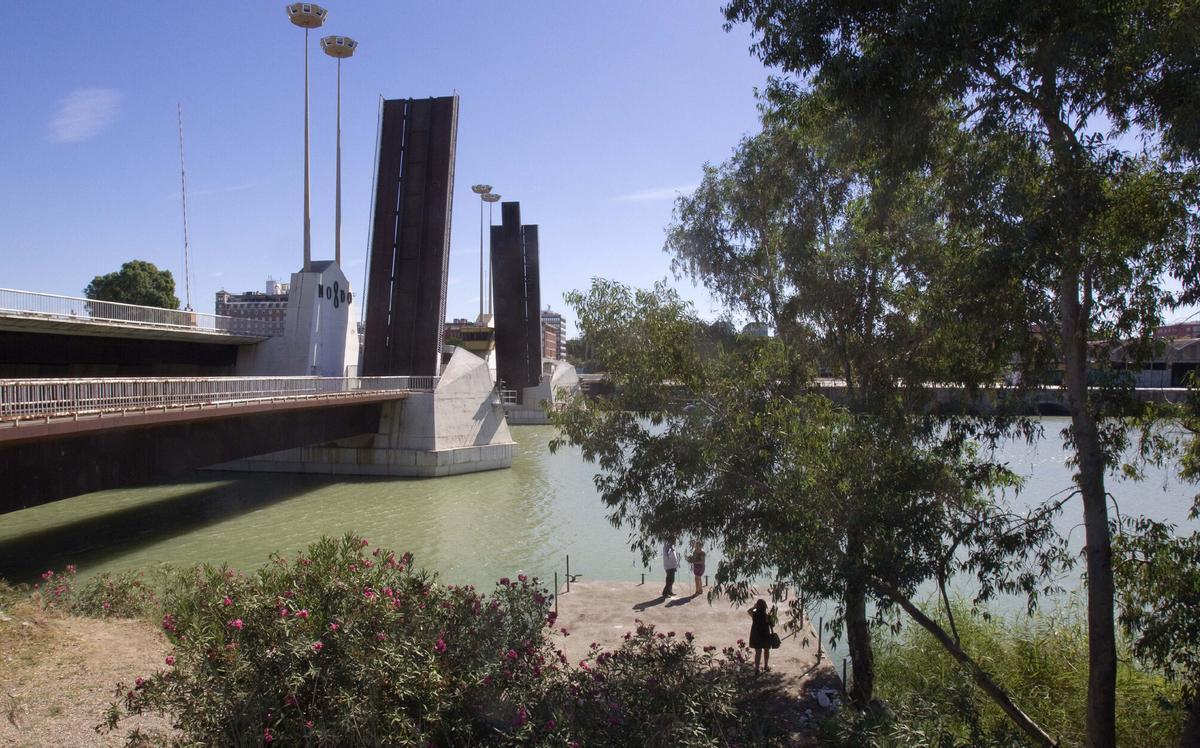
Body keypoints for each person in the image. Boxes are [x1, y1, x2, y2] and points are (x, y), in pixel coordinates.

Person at [748, 598, 773, 673]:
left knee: (758, 652)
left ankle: (757, 669)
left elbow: (749, 611)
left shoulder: (754, 614)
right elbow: (772, 625)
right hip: (765, 635)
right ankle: (766, 666)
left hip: (756, 635)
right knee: (766, 651)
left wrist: (754, 607)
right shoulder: (767, 615)